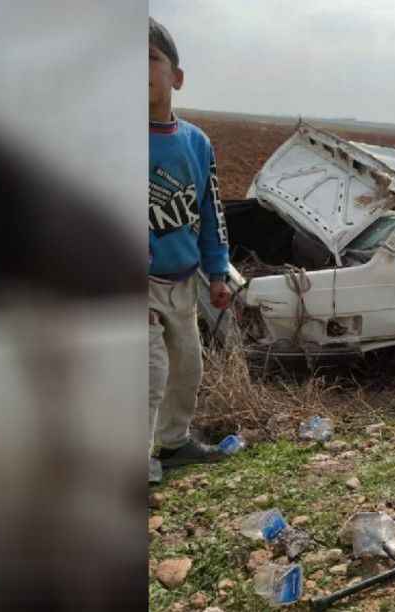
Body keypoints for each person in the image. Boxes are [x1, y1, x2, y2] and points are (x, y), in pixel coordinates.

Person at [148, 17, 232, 480]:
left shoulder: (196, 144)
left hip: (182, 280)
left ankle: (173, 443)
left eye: (150, 58)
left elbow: (210, 211)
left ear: (176, 77)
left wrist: (217, 274)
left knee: (187, 368)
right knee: (149, 373)